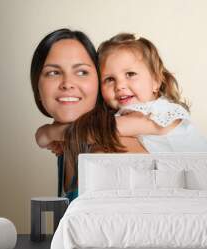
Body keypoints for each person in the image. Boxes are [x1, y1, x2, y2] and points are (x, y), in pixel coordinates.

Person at [31, 29, 145, 202]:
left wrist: (47, 133)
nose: (67, 84)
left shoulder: (113, 148)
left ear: (99, 82)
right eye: (53, 72)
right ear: (37, 87)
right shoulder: (66, 145)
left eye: (82, 72)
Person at [98, 33, 207, 153]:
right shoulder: (126, 113)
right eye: (110, 79)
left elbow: (100, 131)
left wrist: (79, 131)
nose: (119, 86)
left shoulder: (156, 112)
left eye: (130, 74)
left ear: (156, 82)